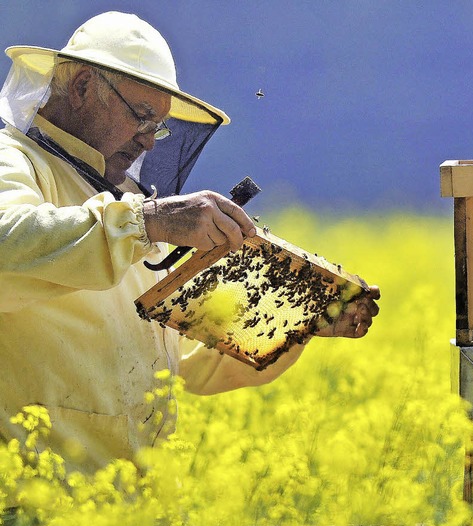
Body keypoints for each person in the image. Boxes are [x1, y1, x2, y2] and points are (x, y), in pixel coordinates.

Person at [0, 12, 380, 474]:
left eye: (157, 126)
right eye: (142, 118)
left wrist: (297, 321)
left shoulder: (125, 204)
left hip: (131, 515)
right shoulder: (15, 160)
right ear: (81, 88)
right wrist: (148, 222)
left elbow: (178, 359)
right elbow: (9, 242)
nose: (148, 144)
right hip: (29, 510)